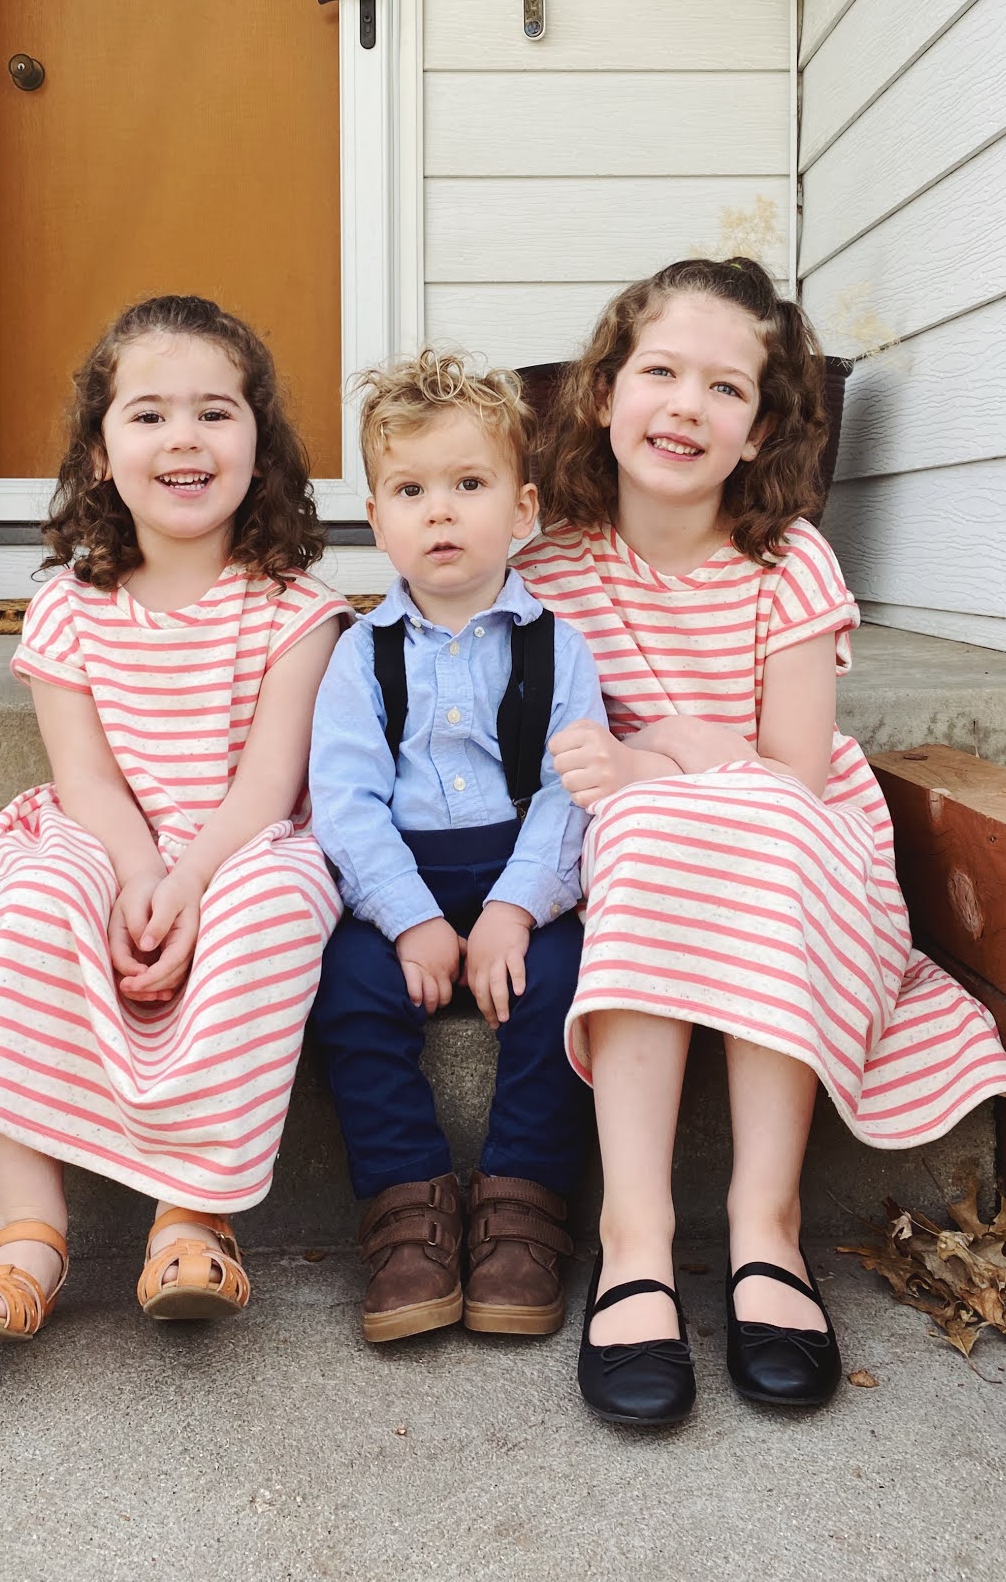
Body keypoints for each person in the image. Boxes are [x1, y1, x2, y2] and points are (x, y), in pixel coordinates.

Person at [515, 257, 1006, 1425]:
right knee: (639, 823)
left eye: (726, 388)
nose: (686, 406)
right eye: (660, 372)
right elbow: (557, 757)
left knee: (714, 816)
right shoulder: (550, 567)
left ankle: (766, 1222)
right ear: (604, 392)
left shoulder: (788, 562)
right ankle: (635, 1233)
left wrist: (663, 752)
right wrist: (656, 767)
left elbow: (791, 775)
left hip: (789, 843)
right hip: (636, 852)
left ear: (759, 431)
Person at [0, 294, 349, 1342]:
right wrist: (139, 871)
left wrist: (187, 881)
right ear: (101, 456)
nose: (184, 436)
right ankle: (28, 1231)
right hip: (104, 831)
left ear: (260, 446)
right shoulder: (70, 607)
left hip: (241, 839)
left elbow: (269, 783)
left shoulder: (297, 610)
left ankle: (191, 1214)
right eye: (149, 414)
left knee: (275, 908)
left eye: (215, 412)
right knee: (37, 894)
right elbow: (88, 779)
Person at [308, 352, 604, 1343]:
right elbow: (344, 802)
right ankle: (407, 1210)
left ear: (522, 510)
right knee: (346, 987)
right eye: (410, 491)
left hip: (529, 876)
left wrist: (517, 909)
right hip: (403, 882)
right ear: (375, 518)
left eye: (468, 484)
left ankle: (522, 1204)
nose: (439, 511)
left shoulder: (559, 647)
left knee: (569, 985)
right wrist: (409, 920)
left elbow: (569, 790)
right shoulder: (361, 654)